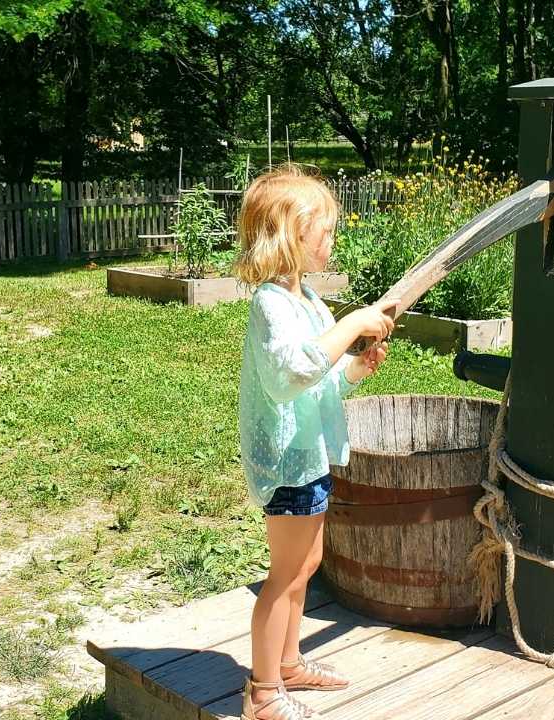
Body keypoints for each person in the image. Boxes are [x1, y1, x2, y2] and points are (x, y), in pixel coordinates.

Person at [232, 164, 395, 720]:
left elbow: (318, 376)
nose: (332, 240)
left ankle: (290, 663)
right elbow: (286, 377)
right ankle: (262, 692)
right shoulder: (270, 305)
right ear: (288, 235)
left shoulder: (307, 304)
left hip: (311, 457)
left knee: (307, 563)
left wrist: (355, 367)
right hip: (287, 463)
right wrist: (351, 326)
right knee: (283, 575)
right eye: (323, 230)